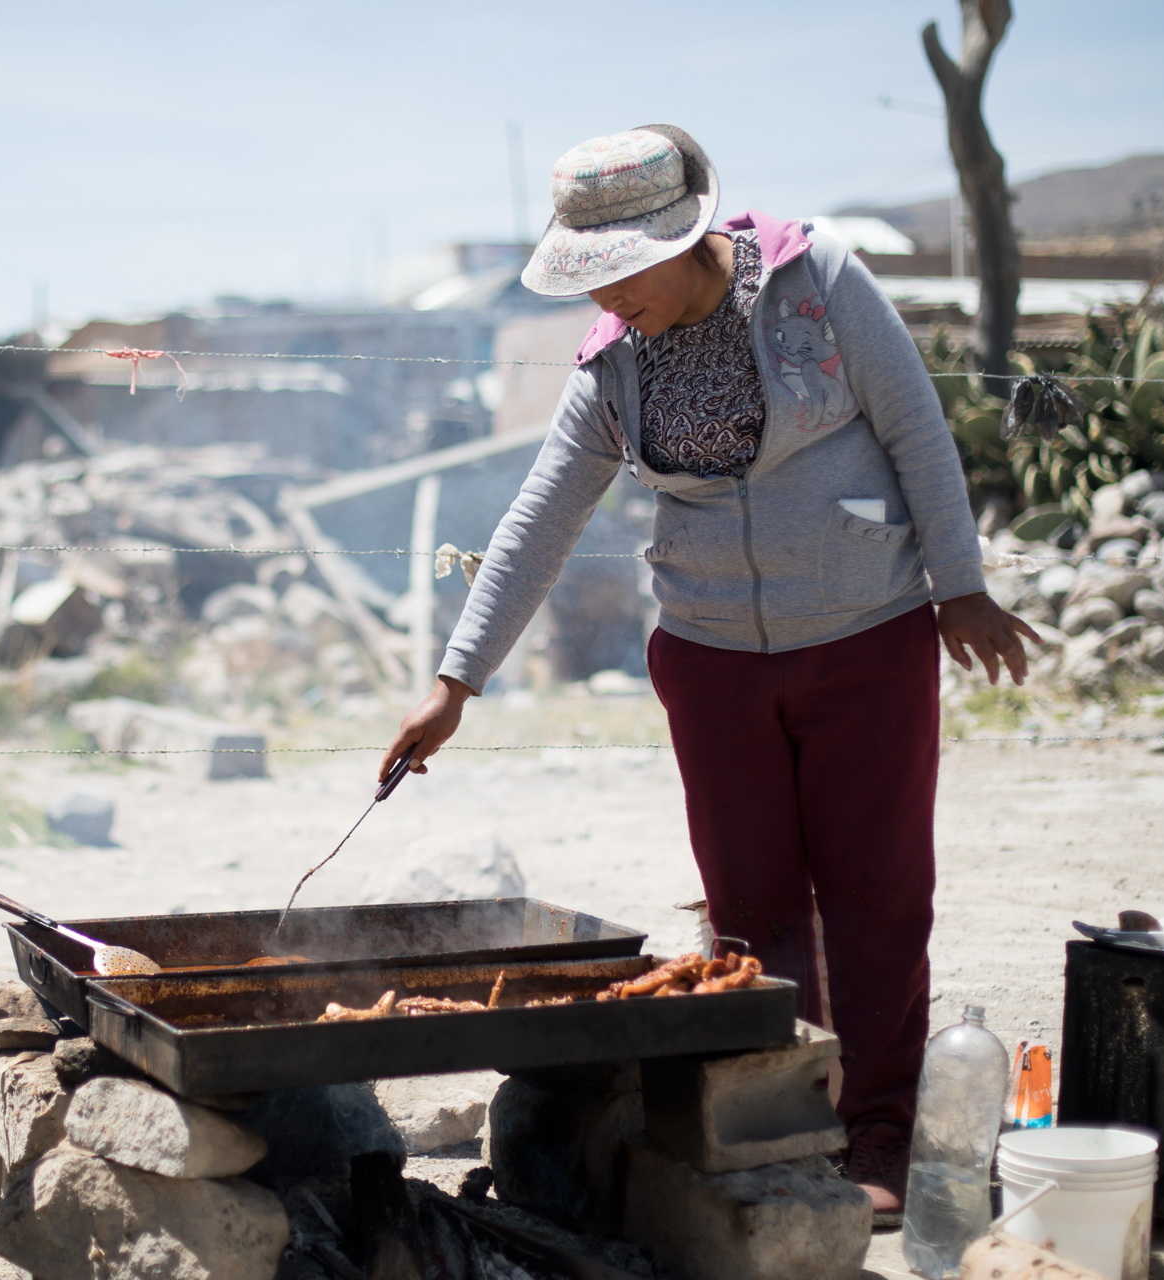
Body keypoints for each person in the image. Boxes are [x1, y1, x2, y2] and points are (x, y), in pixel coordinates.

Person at [381, 124, 1039, 1222]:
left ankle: (877, 1124)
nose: (605, 298)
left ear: (688, 241)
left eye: (619, 273)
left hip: (865, 635)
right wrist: (457, 680)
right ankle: (783, 1117)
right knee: (749, 909)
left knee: (877, 896)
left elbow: (918, 429)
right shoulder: (611, 361)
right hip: (712, 660)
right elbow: (540, 516)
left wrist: (956, 582)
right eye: (587, 276)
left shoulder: (818, 283)